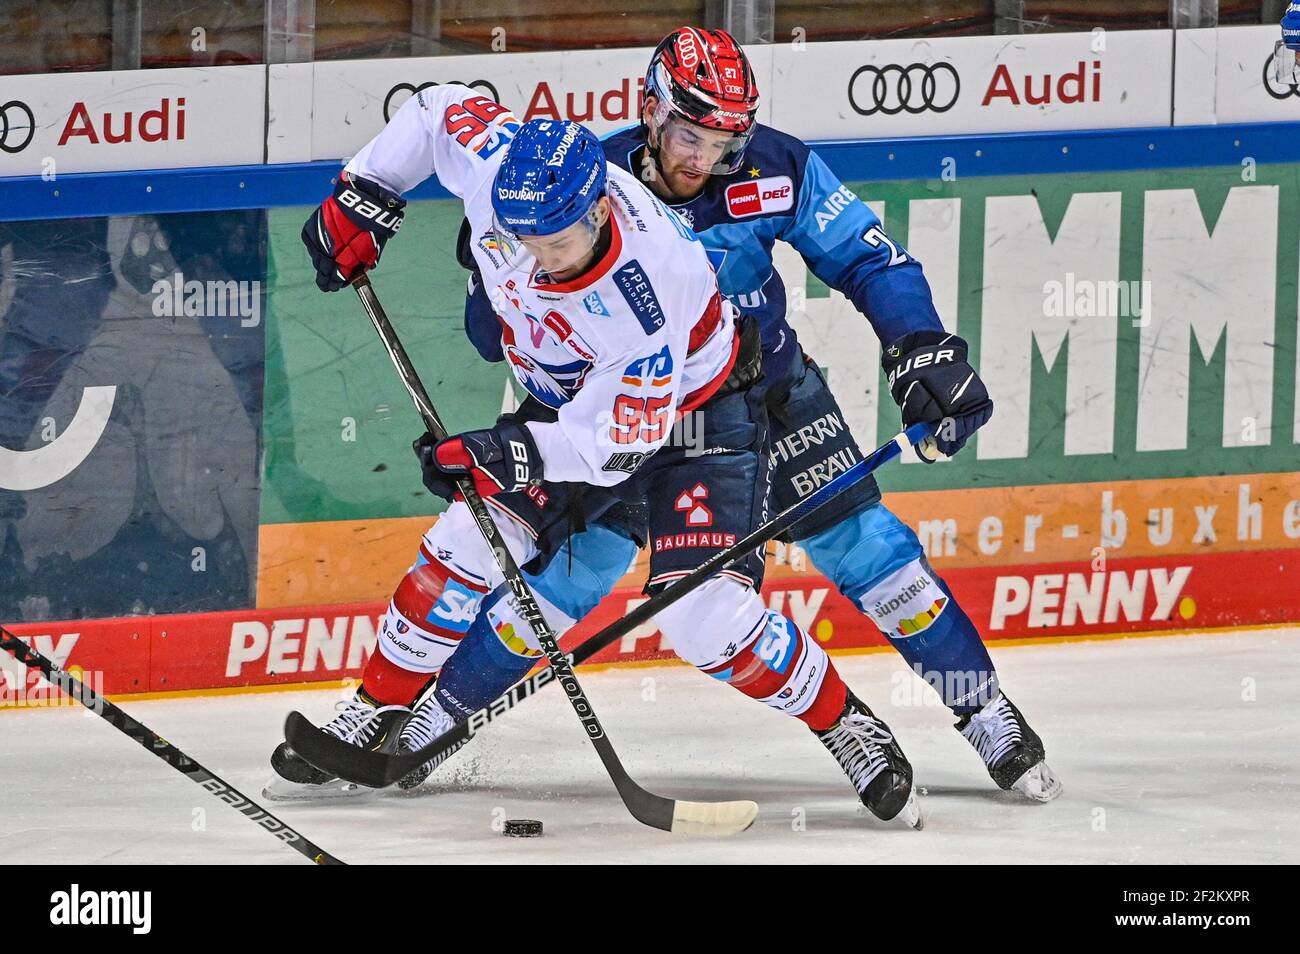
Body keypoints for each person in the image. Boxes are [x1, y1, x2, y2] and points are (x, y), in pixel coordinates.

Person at [434, 27, 1060, 804]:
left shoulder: (780, 166)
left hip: (769, 395)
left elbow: (870, 258)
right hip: (639, 418)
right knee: (567, 572)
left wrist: (922, 348)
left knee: (870, 549)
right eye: (690, 134)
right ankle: (436, 718)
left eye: (726, 141)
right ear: (651, 111)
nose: (703, 159)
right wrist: (484, 268)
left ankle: (985, 712)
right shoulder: (578, 184)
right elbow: (496, 339)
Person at [273, 82, 922, 825]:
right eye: (520, 240)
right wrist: (366, 188)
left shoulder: (646, 294)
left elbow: (617, 450)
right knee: (463, 541)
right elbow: (434, 110)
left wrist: (506, 453)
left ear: (601, 211)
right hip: (572, 401)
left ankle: (847, 723)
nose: (534, 263)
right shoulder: (505, 171)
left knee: (703, 618)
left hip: (693, 421)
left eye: (554, 245)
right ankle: (373, 710)